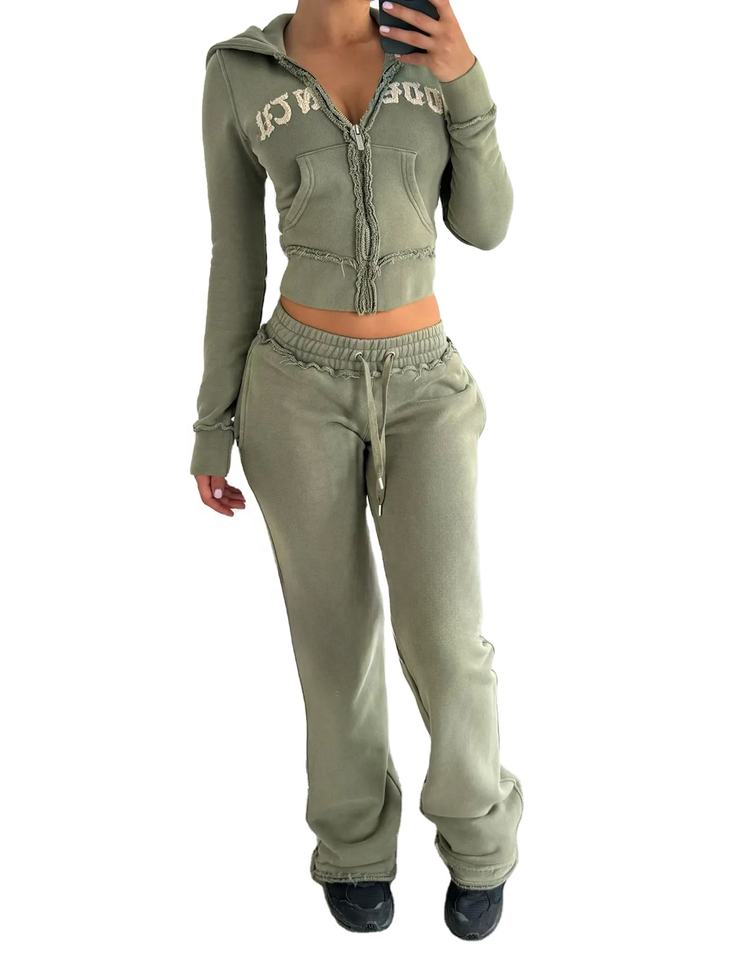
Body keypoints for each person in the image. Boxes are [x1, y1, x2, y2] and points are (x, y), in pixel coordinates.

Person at [190, 0, 524, 940]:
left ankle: (479, 837)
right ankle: (353, 846)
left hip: (425, 386)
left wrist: (465, 80)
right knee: (333, 640)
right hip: (294, 388)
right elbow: (234, 256)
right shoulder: (237, 73)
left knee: (447, 639)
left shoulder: (428, 46)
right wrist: (213, 423)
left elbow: (488, 226)